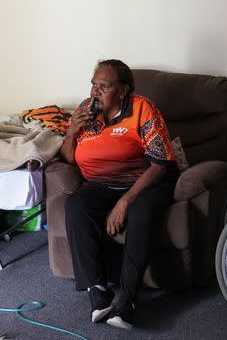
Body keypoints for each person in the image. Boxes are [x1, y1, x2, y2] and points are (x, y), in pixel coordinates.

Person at [60, 59, 177, 330]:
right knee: (76, 205)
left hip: (145, 180)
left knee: (140, 211)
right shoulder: (84, 111)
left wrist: (125, 201)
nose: (95, 92)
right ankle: (98, 292)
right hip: (100, 184)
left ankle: (127, 299)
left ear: (123, 90)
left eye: (105, 86)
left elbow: (160, 164)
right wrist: (71, 132)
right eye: (93, 85)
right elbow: (68, 160)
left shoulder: (142, 108)